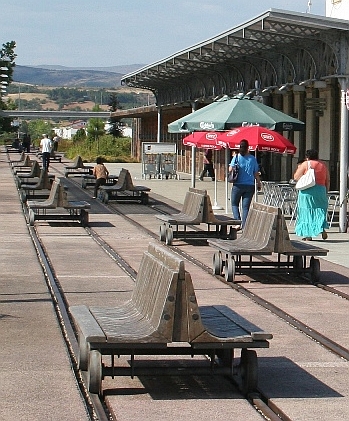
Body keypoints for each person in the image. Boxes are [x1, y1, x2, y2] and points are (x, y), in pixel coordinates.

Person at [293, 149, 330, 241]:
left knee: (306, 211)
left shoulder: (306, 164)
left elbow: (296, 177)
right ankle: (321, 227)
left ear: (307, 157)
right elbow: (327, 180)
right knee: (319, 210)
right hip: (321, 189)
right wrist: (326, 191)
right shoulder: (323, 165)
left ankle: (308, 234)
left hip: (307, 190)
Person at [229, 139, 261, 229]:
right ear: (248, 147)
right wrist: (259, 183)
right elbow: (256, 173)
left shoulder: (236, 157)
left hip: (238, 185)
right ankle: (245, 225)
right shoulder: (252, 159)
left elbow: (230, 170)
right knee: (245, 207)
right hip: (250, 185)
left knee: (234, 204)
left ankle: (237, 222)